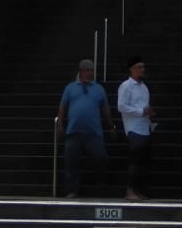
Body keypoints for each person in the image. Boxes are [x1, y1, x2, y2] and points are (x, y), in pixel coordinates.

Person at [55, 58, 112, 199]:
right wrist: (60, 124)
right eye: (87, 70)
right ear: (80, 71)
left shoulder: (99, 89)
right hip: (73, 131)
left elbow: (105, 109)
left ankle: (99, 188)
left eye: (92, 70)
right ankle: (72, 190)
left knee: (100, 158)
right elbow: (63, 107)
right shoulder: (70, 88)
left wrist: (111, 126)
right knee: (71, 161)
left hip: (94, 132)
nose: (90, 72)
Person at [116, 55, 153, 201]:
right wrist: (140, 111)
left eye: (143, 67)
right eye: (139, 67)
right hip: (133, 128)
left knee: (142, 161)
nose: (142, 70)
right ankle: (129, 190)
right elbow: (121, 106)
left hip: (145, 127)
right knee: (134, 160)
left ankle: (138, 190)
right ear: (131, 69)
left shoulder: (144, 87)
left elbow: (144, 105)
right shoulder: (126, 86)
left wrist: (148, 112)